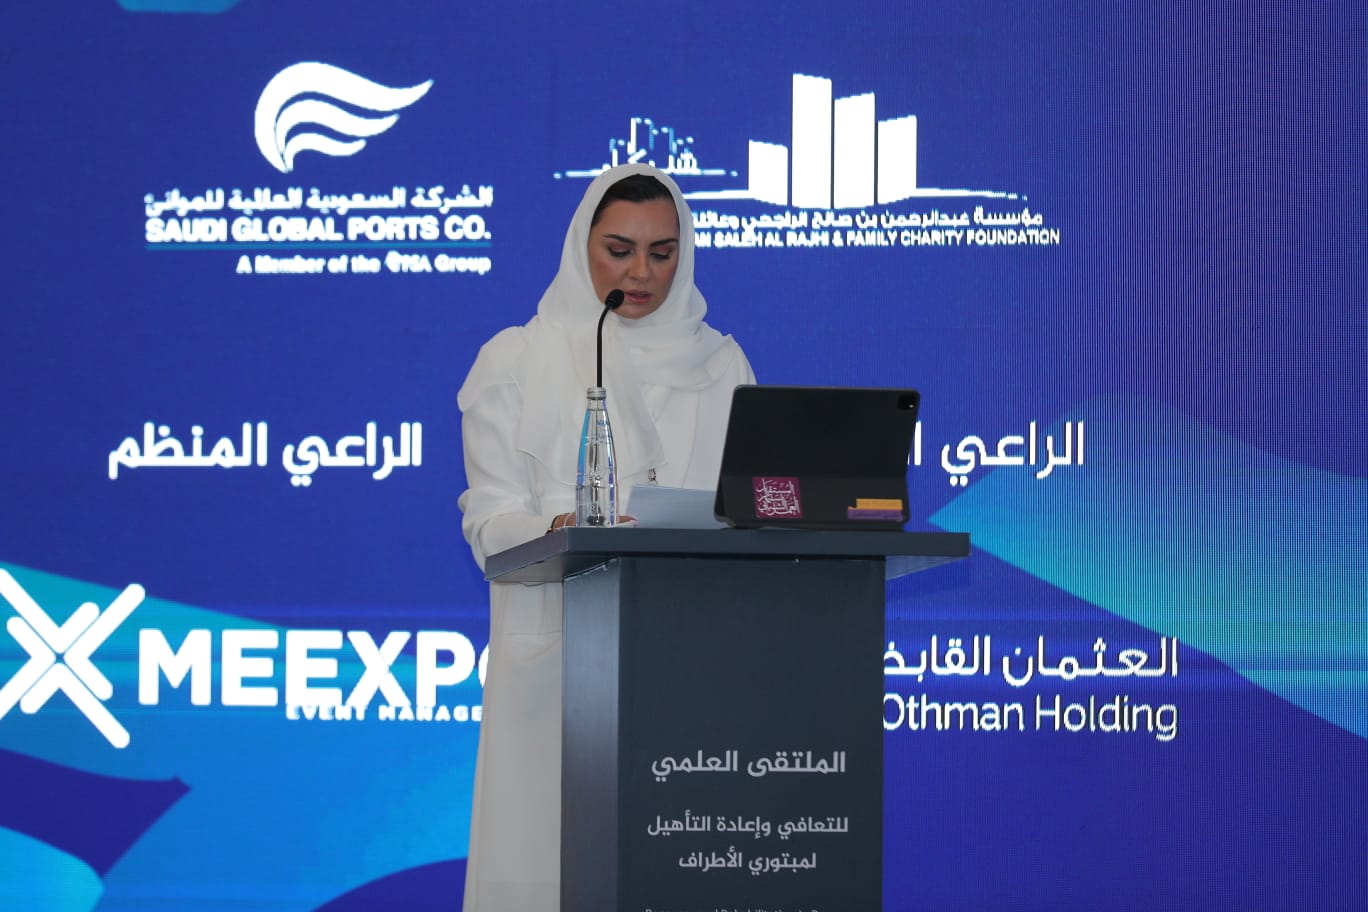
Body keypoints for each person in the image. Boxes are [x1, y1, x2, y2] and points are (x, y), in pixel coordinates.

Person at [456, 163, 755, 911]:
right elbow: (489, 523)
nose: (641, 273)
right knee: (550, 872)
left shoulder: (722, 365)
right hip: (557, 672)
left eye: (662, 252)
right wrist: (557, 529)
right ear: (580, 245)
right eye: (619, 250)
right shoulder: (516, 360)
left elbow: (747, 511)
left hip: (688, 662)